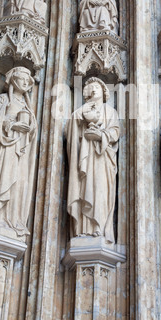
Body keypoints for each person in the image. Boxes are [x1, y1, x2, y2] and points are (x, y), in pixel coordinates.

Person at [0, 67, 37, 240]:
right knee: (2, 179)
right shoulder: (4, 99)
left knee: (17, 184)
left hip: (20, 151)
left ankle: (11, 219)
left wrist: (28, 126)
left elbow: (32, 131)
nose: (25, 82)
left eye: (28, 80)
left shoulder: (27, 106)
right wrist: (12, 125)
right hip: (4, 147)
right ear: (12, 80)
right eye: (22, 78)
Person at [67, 78, 120, 244]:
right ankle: (83, 229)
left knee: (100, 189)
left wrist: (101, 135)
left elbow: (116, 132)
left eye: (98, 86)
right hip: (85, 157)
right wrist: (81, 116)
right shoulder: (79, 112)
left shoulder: (110, 112)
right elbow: (70, 132)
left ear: (104, 92)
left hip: (102, 157)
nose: (94, 89)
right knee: (84, 187)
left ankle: (99, 227)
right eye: (91, 87)